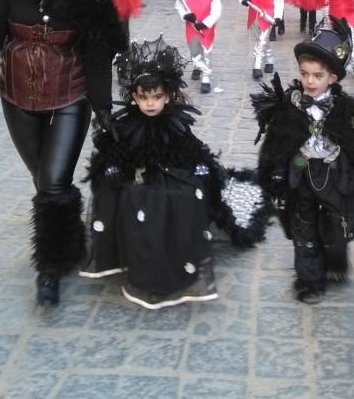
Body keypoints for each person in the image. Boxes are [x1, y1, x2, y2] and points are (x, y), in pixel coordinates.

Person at [0, 0, 125, 306]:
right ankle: (68, 238)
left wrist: (103, 109)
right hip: (16, 98)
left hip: (70, 96)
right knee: (44, 181)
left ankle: (49, 267)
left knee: (53, 180)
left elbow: (98, 56)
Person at [80, 38, 267, 307]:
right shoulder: (127, 125)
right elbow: (115, 152)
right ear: (134, 97)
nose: (150, 104)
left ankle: (173, 258)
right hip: (139, 175)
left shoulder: (175, 123)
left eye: (156, 97)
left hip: (172, 174)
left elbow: (190, 149)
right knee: (123, 193)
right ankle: (127, 256)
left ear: (167, 96)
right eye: (143, 98)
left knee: (178, 196)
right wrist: (111, 166)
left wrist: (201, 166)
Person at [251, 18, 354, 304]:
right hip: (300, 175)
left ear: (333, 78)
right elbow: (277, 143)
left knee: (335, 228)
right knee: (304, 229)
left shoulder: (345, 110)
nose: (310, 81)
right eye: (305, 74)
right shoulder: (291, 105)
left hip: (335, 179)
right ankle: (309, 280)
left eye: (317, 76)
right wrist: (274, 174)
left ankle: (335, 262)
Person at [175, 0, 222, 94]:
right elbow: (179, 6)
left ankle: (206, 77)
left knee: (206, 51)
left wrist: (205, 23)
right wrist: (185, 15)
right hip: (191, 28)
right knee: (194, 51)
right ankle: (197, 66)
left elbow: (216, 12)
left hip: (206, 28)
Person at [239, 0, 284, 79]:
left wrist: (278, 16)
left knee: (263, 40)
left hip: (267, 16)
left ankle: (257, 66)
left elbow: (279, 1)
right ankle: (269, 59)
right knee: (259, 39)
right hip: (253, 14)